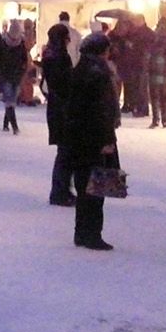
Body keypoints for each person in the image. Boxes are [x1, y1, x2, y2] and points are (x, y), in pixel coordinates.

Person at [65, 32, 119, 251]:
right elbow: (102, 110)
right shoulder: (99, 74)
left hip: (79, 138)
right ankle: (93, 234)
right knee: (97, 187)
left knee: (82, 184)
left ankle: (81, 232)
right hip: (96, 138)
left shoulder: (79, 70)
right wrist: (107, 139)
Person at [40, 20, 77, 205]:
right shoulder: (59, 58)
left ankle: (62, 189)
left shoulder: (50, 55)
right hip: (62, 108)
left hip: (56, 107)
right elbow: (63, 83)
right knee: (65, 152)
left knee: (65, 151)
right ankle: (60, 191)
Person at [145, 17, 166, 128]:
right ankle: (165, 120)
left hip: (154, 71)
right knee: (164, 96)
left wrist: (147, 67)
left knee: (154, 96)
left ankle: (155, 120)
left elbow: (148, 54)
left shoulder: (152, 37)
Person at [0, 19, 29, 135]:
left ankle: (6, 124)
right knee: (10, 101)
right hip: (8, 76)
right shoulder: (5, 43)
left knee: (11, 100)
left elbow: (24, 60)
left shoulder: (19, 44)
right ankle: (14, 127)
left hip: (14, 76)